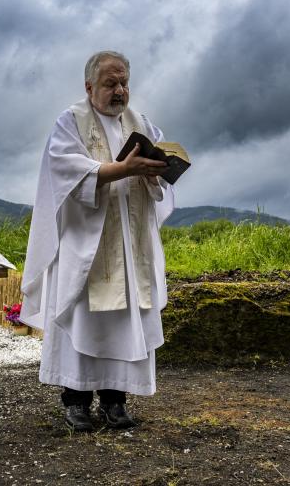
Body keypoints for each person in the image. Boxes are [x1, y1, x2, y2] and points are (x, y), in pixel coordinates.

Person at [20, 50, 175, 432]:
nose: (120, 90)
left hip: (129, 240)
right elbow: (64, 171)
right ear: (89, 87)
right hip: (85, 244)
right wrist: (121, 169)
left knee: (125, 320)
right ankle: (75, 402)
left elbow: (160, 177)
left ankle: (115, 401)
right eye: (110, 83)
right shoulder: (70, 122)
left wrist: (155, 171)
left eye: (124, 82)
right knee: (84, 319)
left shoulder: (142, 124)